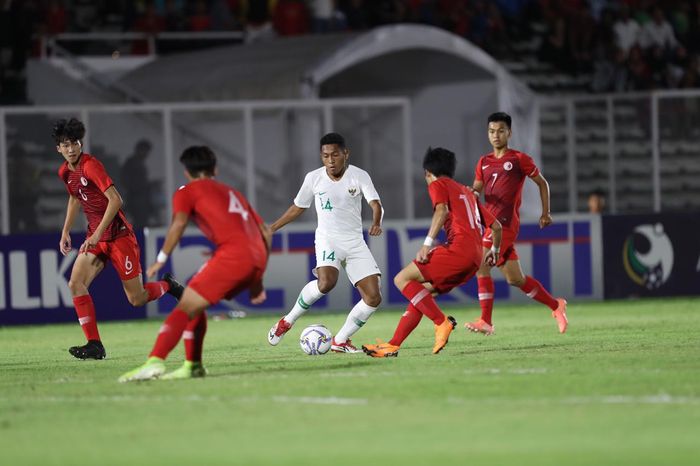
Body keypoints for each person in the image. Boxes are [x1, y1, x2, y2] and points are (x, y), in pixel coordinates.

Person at [119, 145, 272, 382]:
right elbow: (265, 231)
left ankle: (155, 361)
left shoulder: (186, 191)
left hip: (233, 255)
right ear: (215, 169)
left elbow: (179, 224)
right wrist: (257, 281)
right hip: (257, 255)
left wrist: (160, 259)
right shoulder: (233, 192)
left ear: (186, 172)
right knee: (193, 301)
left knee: (184, 307)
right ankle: (193, 365)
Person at [54, 118, 180, 360]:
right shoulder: (64, 172)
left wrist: (98, 233)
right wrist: (66, 230)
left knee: (137, 298)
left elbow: (116, 200)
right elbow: (74, 198)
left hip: (119, 236)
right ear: (58, 148)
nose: (70, 149)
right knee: (75, 283)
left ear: (81, 143)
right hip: (97, 236)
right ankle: (94, 345)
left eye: (74, 143)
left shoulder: (91, 166)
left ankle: (169, 286)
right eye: (65, 145)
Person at [362, 147, 502, 358]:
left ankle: (441, 322)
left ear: (428, 172)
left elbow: (442, 210)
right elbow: (497, 226)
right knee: (421, 294)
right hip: (474, 259)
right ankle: (393, 345)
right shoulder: (466, 191)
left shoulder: (438, 184)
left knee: (402, 279)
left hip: (458, 251)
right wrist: (495, 250)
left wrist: (427, 244)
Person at [267, 132, 383, 353]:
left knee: (373, 297)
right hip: (328, 240)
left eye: (335, 155)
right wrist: (272, 228)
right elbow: (298, 206)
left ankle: (340, 341)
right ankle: (286, 322)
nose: (330, 160)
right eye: (325, 156)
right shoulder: (314, 178)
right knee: (326, 283)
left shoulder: (359, 176)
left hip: (355, 242)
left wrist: (376, 222)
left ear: (345, 154)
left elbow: (376, 204)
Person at [465, 112, 568, 336]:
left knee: (481, 266)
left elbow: (542, 183)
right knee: (515, 279)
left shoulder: (519, 159)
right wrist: (470, 193)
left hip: (505, 225)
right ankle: (556, 306)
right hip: (490, 225)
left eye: (501, 131)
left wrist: (546, 213)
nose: (496, 135)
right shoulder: (483, 162)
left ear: (509, 133)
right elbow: (477, 189)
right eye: (492, 131)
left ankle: (486, 321)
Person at [120, 139, 156, 229]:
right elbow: (128, 182)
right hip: (136, 200)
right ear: (139, 150)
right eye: (145, 151)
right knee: (139, 225)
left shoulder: (138, 163)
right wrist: (145, 186)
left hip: (140, 199)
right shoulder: (132, 163)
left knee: (141, 224)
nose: (146, 154)